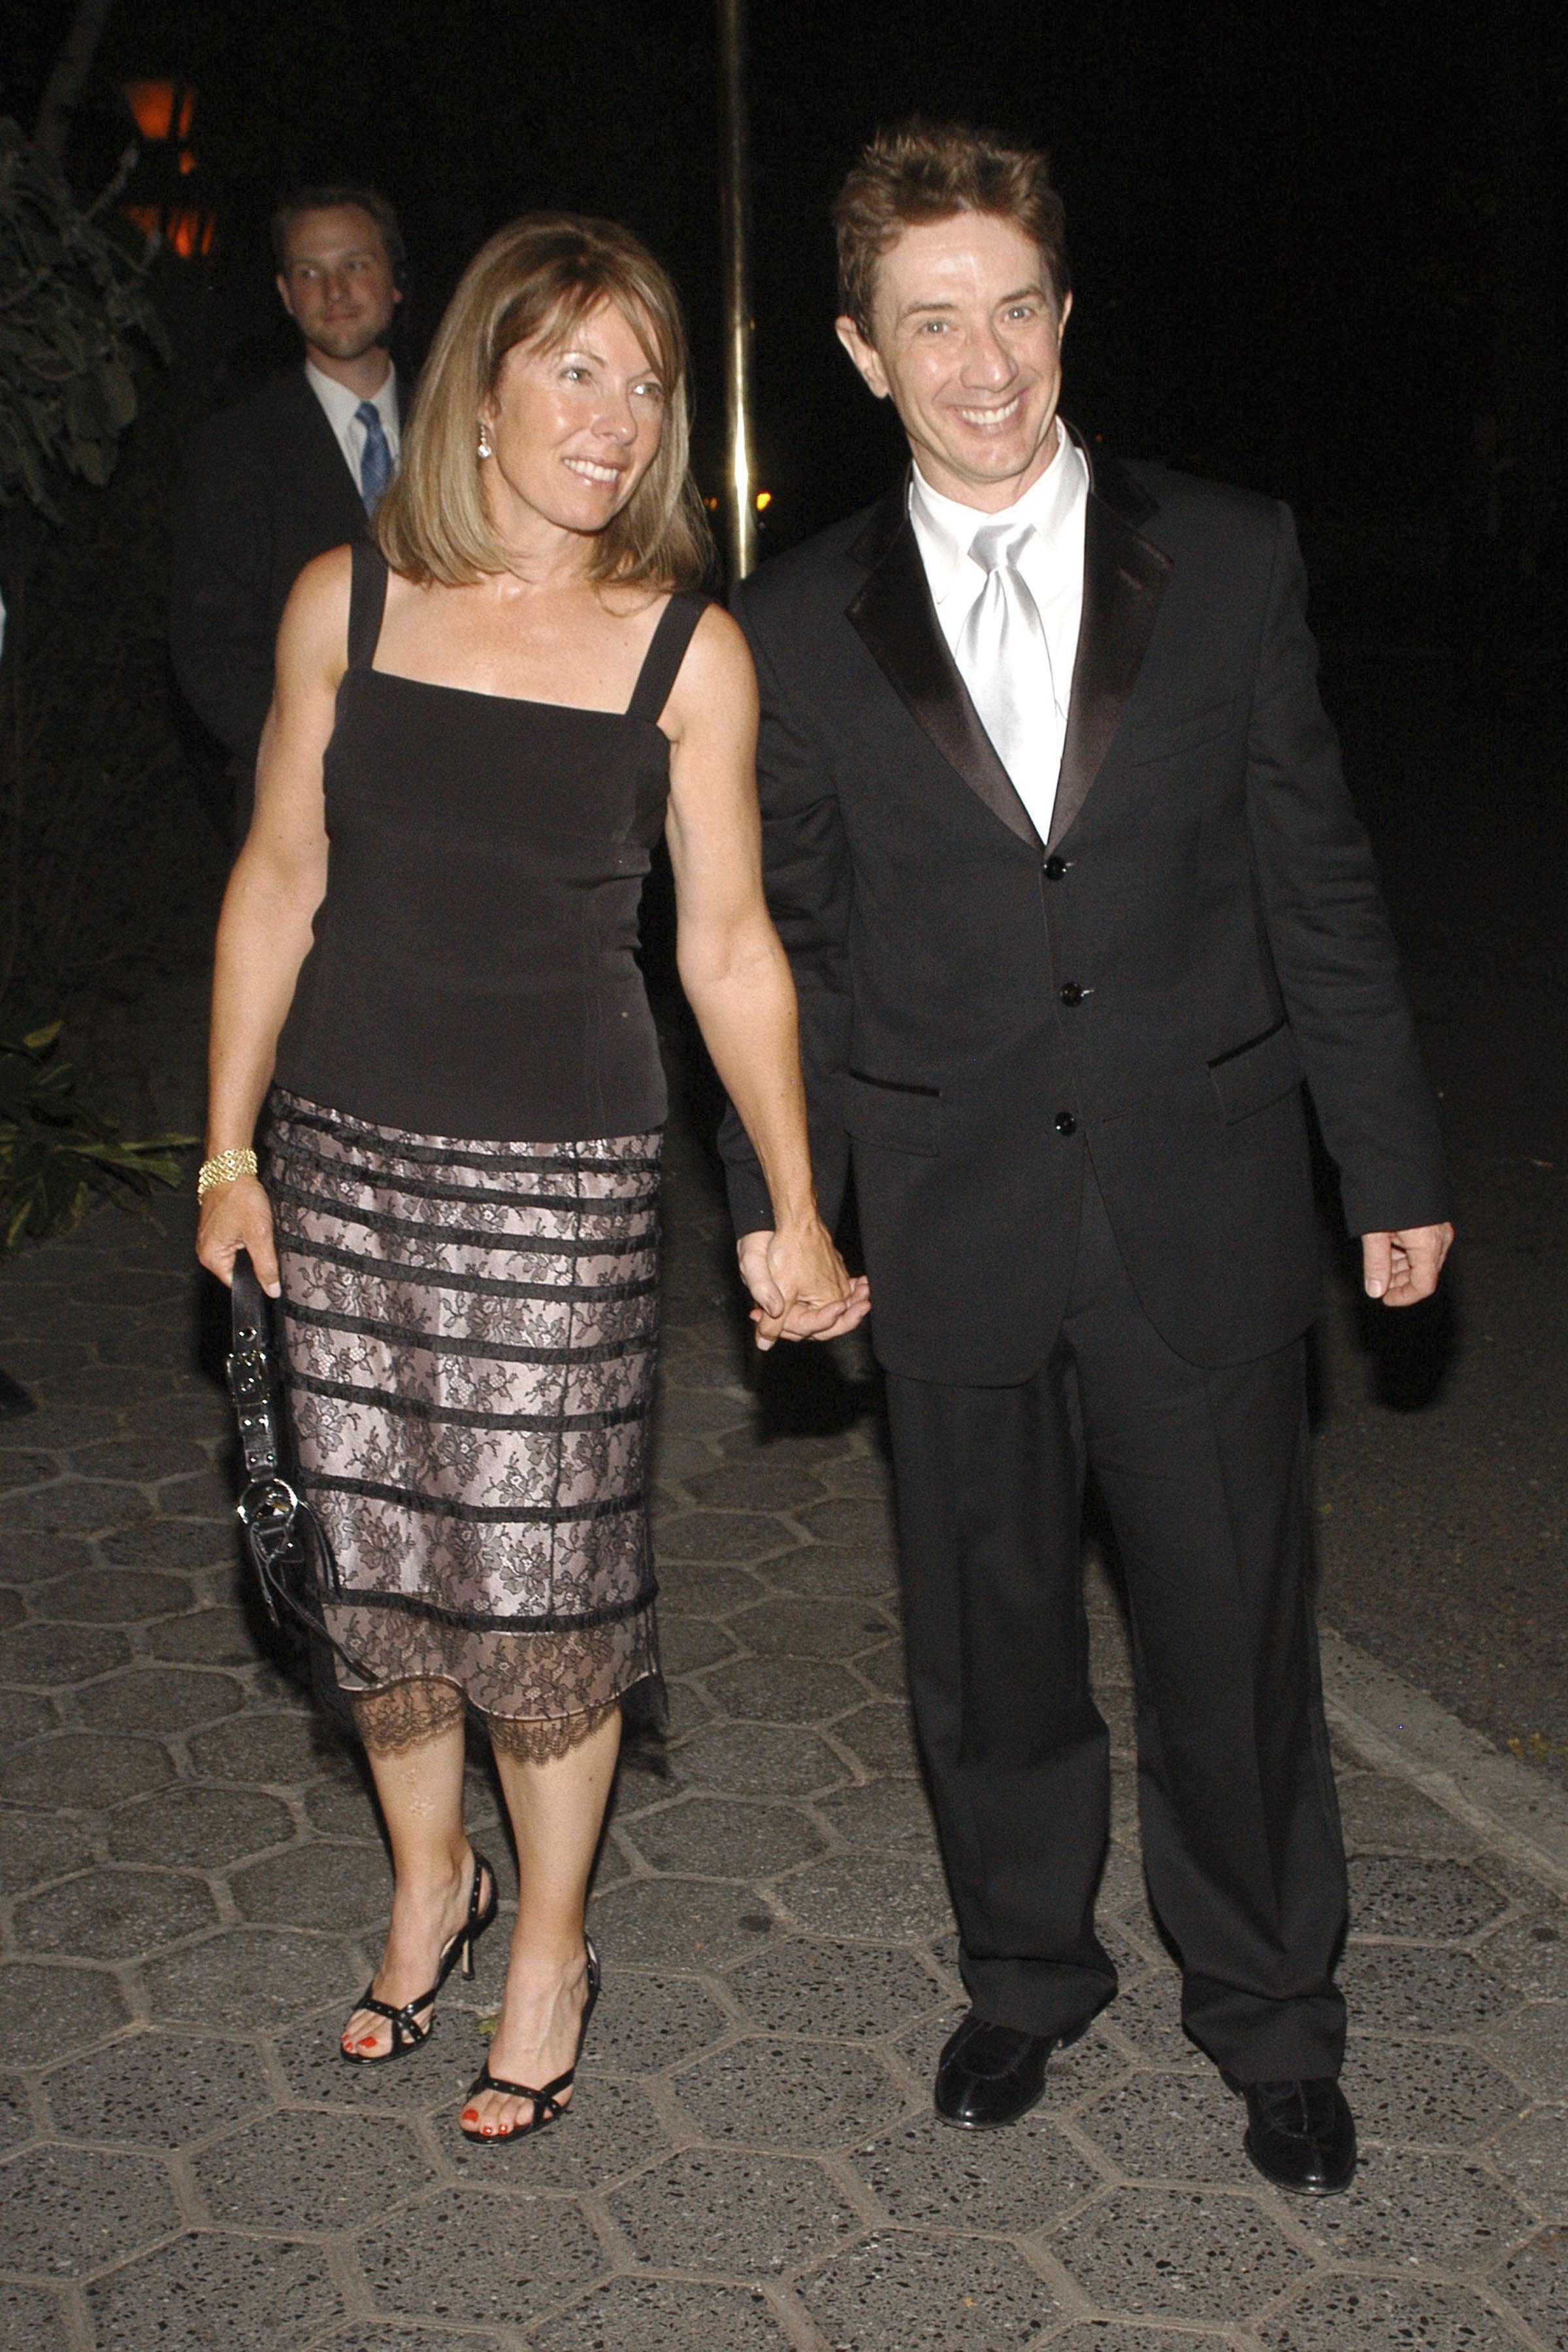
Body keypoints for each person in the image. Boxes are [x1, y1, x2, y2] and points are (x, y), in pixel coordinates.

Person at [719, 120, 1452, 2197]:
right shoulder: (791, 622)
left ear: (1065, 311)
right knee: (987, 1649)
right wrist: (787, 1211)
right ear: (860, 349)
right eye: (932, 323)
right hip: (946, 1215)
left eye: (1015, 309)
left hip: (1197, 1197)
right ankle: (1026, 1973)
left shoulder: (1227, 555)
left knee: (1234, 1641)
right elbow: (793, 947)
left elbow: (1314, 877)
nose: (984, 364)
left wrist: (1388, 1158)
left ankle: (1271, 2012)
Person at [196, 213, 867, 2145]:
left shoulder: (683, 647)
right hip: (339, 1152)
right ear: (479, 387)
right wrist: (227, 1147)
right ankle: (431, 1888)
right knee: (376, 1566)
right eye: (574, 367)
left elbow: (725, 948)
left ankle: (552, 1945)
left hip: (560, 1180)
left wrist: (792, 1200)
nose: (614, 413)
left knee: (538, 1588)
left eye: (642, 382)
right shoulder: (346, 603)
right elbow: (276, 877)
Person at [171, 185, 406, 834]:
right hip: (303, 813)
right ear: (284, 295)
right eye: (309, 272)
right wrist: (327, 764)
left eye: (355, 264)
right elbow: (212, 652)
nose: (335, 290)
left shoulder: (469, 434)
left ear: (394, 280)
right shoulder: (235, 450)